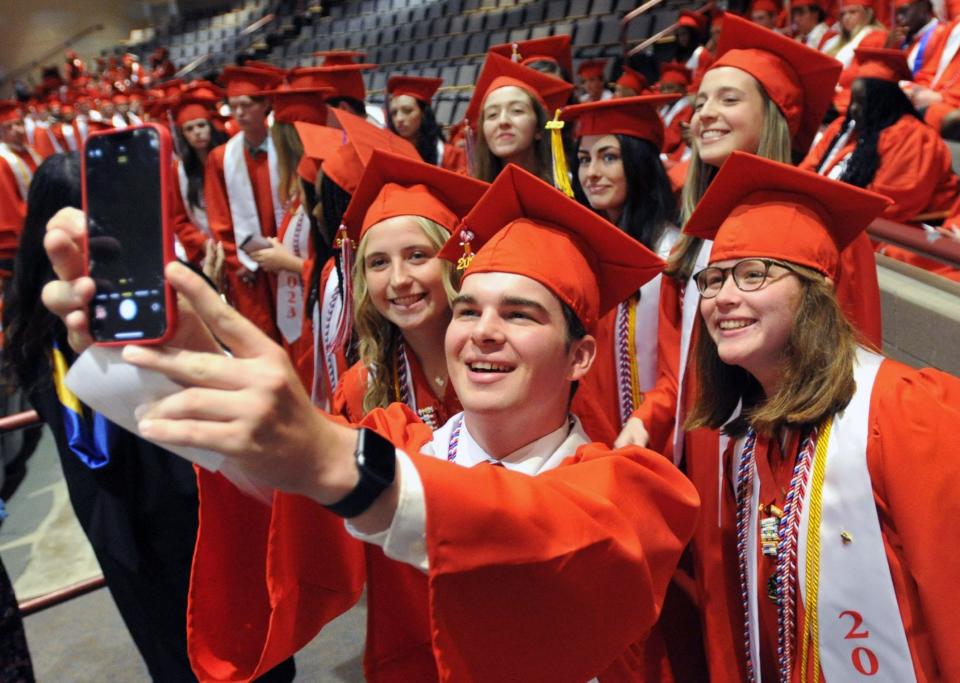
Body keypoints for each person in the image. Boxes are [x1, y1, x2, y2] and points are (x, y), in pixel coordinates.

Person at [42, 163, 700, 682]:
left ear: (581, 353)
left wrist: (334, 458)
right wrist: (172, 374)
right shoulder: (398, 436)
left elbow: (539, 528)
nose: (483, 334)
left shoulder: (636, 489)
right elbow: (285, 501)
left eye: (521, 314)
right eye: (468, 310)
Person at [682, 150, 960, 682]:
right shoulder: (749, 441)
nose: (723, 298)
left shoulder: (906, 410)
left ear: (817, 290)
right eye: (712, 281)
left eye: (752, 274)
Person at [2, 153, 201, 682]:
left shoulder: (29, 311)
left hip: (121, 494)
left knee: (169, 632)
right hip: (160, 482)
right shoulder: (44, 313)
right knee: (192, 627)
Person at [331, 150, 487, 428]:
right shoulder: (361, 389)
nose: (399, 279)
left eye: (417, 255)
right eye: (379, 262)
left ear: (453, 262)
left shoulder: (499, 361)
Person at [561, 95, 681, 434]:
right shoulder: (582, 251)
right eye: (584, 160)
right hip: (591, 430)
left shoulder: (670, 256)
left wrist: (646, 422)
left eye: (609, 157)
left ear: (639, 163)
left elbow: (681, 369)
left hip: (656, 435)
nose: (592, 174)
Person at [801, 48, 958, 223]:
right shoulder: (844, 128)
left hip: (902, 232)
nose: (853, 109)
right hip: (831, 215)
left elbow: (891, 204)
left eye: (862, 102)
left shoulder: (913, 138)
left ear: (883, 101)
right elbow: (808, 169)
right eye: (853, 101)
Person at [204, 65, 285, 342]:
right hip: (247, 269)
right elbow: (219, 216)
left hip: (286, 259)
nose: (238, 113)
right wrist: (237, 261)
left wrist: (290, 254)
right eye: (233, 105)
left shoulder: (286, 148)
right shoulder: (220, 158)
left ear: (266, 105)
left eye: (246, 104)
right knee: (260, 337)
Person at [465, 52, 573, 182]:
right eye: (492, 115)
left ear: (539, 127)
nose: (503, 121)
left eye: (516, 111)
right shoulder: (472, 195)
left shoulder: (567, 187)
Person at [170, 81, 229, 265]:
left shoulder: (229, 159)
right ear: (184, 135)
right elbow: (179, 220)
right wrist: (202, 243)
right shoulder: (179, 171)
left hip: (237, 247)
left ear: (210, 127)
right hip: (207, 253)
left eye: (201, 125)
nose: (197, 132)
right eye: (189, 129)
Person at [386, 76, 466, 172]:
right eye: (394, 113)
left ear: (424, 114)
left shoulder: (449, 156)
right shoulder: (387, 151)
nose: (399, 119)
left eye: (407, 110)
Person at [0, 101, 43, 277]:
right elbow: (11, 207)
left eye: (19, 124)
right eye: (10, 126)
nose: (18, 130)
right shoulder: (3, 162)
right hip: (28, 234)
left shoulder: (30, 151)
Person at [891, 0, 947, 78]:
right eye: (897, 13)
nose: (899, 18)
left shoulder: (943, 35)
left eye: (904, 10)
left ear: (923, 6)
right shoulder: (901, 40)